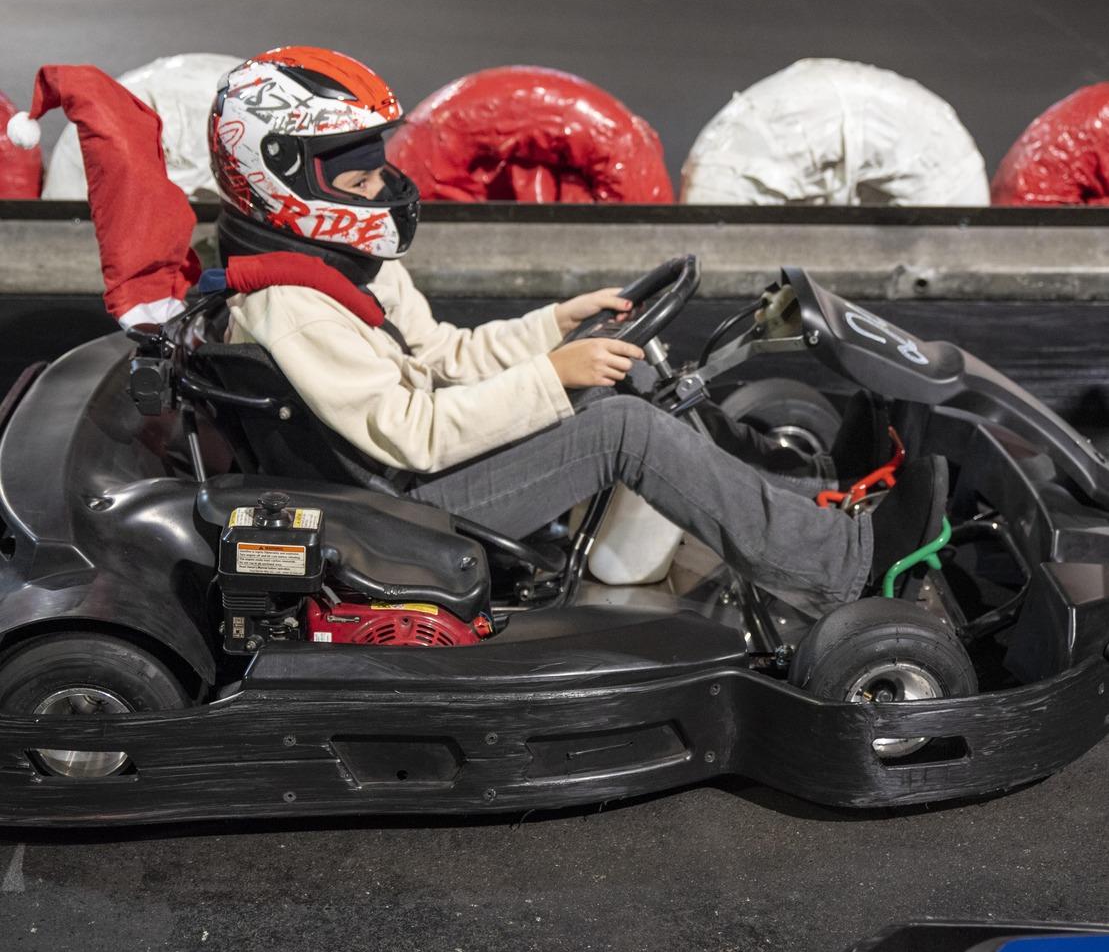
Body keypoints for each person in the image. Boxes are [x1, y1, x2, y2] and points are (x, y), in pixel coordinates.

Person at [209, 46, 945, 618]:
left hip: (419, 473)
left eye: (376, 166)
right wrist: (552, 375)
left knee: (631, 371)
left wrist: (553, 327)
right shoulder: (293, 306)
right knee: (624, 429)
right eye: (356, 178)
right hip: (405, 514)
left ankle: (810, 492)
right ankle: (844, 564)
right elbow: (414, 434)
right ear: (281, 177)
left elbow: (442, 355)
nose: (377, 187)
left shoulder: (343, 263)